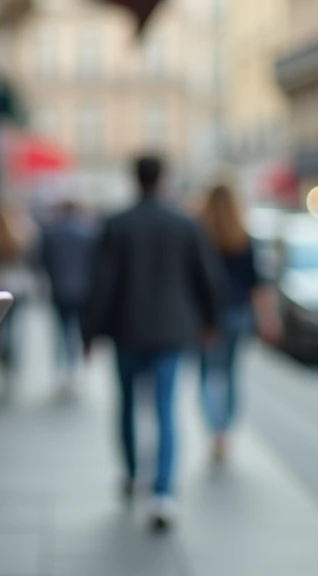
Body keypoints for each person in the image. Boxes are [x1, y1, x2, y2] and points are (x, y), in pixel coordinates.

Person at [83, 155, 221, 532]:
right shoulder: (186, 224)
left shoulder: (116, 224)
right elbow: (205, 278)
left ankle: (131, 475)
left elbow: (101, 285)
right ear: (164, 178)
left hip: (126, 331)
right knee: (165, 409)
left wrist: (89, 334)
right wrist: (211, 321)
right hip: (171, 333)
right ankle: (162, 492)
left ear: (134, 178)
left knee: (127, 405)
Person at [196, 183, 281, 463]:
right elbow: (258, 286)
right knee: (231, 372)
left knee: (209, 373)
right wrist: (268, 319)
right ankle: (226, 429)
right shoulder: (244, 238)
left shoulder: (200, 237)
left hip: (207, 315)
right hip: (237, 313)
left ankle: (215, 428)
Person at [38, 200, 99, 400]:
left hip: (60, 289)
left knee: (62, 329)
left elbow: (43, 261)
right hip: (84, 291)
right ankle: (75, 369)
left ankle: (64, 369)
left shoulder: (51, 233)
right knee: (79, 329)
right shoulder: (88, 233)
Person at [0, 200, 39, 398]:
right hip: (16, 287)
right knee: (13, 327)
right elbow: (30, 260)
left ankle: (1, 355)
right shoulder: (19, 234)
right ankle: (10, 361)